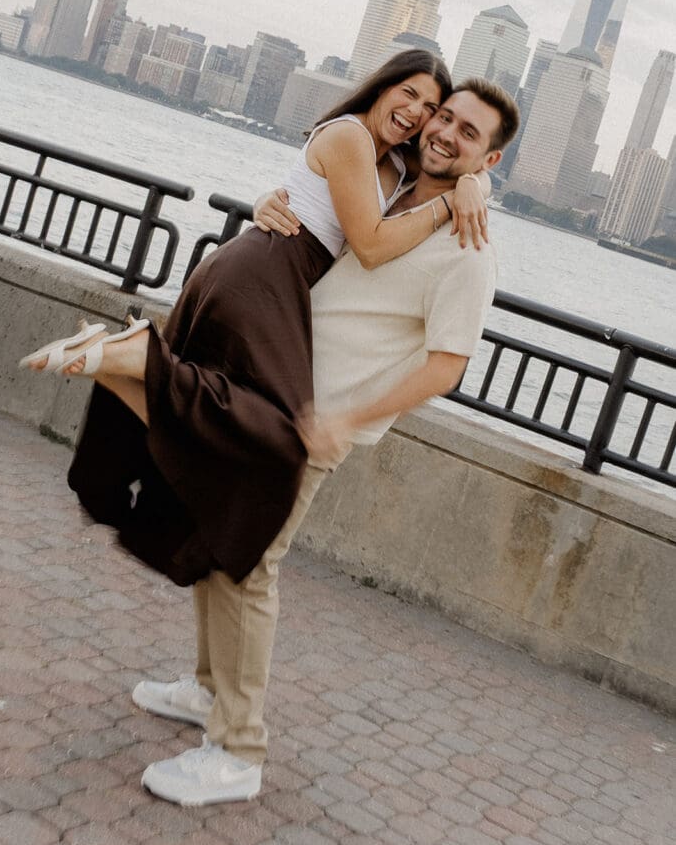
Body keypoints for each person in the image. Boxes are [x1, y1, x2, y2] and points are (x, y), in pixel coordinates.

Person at [130, 78, 520, 806]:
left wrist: (346, 420)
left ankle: (237, 751)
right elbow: (319, 228)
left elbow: (448, 366)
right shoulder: (392, 189)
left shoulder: (468, 249)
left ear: (487, 161)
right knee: (218, 545)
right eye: (444, 117)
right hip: (266, 389)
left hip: (311, 423)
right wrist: (267, 203)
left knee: (249, 570)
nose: (444, 132)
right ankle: (207, 689)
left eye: (469, 134)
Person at [21, 49, 482, 590]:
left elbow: (424, 180)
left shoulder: (396, 162)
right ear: (384, 86)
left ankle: (126, 366)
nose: (417, 111)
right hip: (262, 276)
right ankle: (140, 357)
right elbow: (372, 245)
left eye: (430, 106)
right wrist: (449, 206)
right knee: (279, 439)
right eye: (410, 93)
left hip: (274, 278)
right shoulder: (351, 136)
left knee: (234, 420)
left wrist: (472, 184)